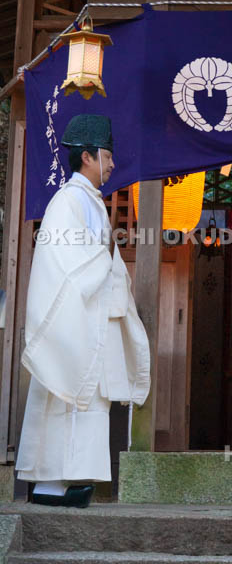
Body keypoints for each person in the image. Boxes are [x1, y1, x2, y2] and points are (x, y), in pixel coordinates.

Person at [15, 114, 150, 508]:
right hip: (75, 319)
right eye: (106, 157)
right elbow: (68, 263)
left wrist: (106, 266)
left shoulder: (88, 201)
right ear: (87, 157)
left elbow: (94, 259)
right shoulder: (69, 201)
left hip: (92, 316)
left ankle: (62, 484)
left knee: (86, 400)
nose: (111, 165)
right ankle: (48, 486)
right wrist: (105, 264)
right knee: (65, 395)